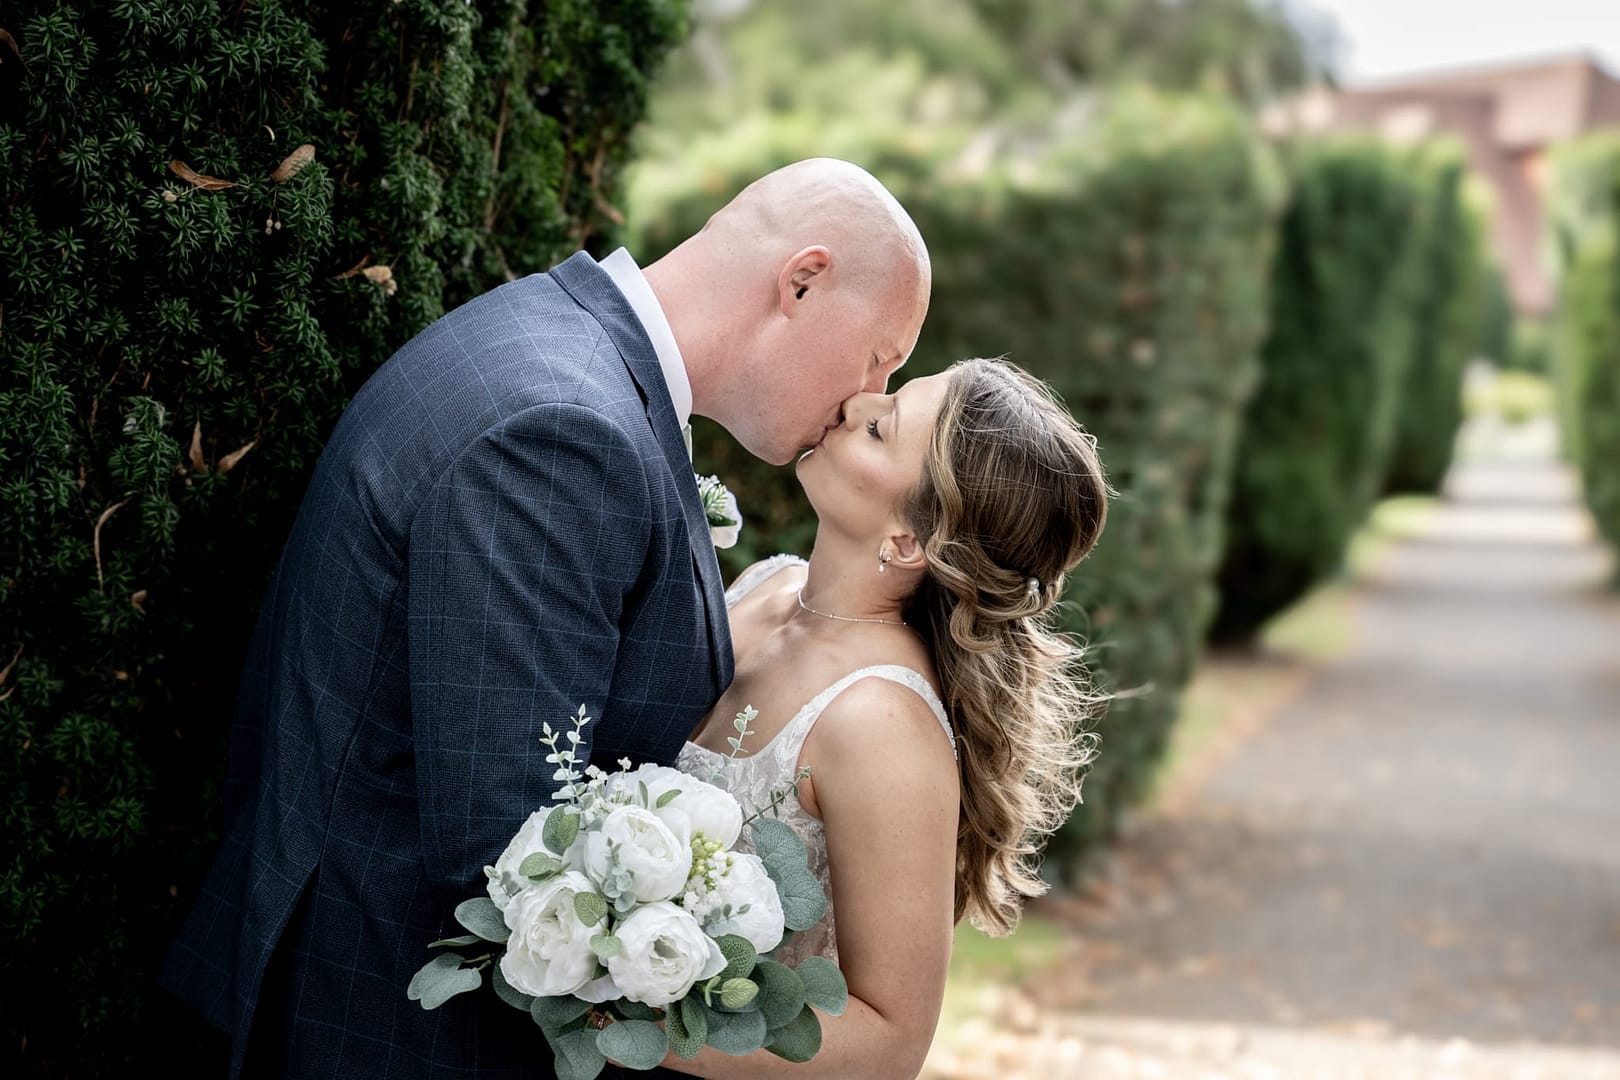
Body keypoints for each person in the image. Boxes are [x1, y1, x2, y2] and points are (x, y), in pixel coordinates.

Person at [158, 158, 930, 1080]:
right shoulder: (566, 432)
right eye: (881, 355)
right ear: (801, 280)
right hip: (387, 1027)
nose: (863, 395)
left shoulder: (552, 342)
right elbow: (506, 849)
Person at [671, 357, 1110, 1078]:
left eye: (880, 428)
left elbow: (888, 1041)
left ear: (910, 541)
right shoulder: (766, 583)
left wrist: (628, 1010)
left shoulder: (881, 723)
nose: (853, 403)